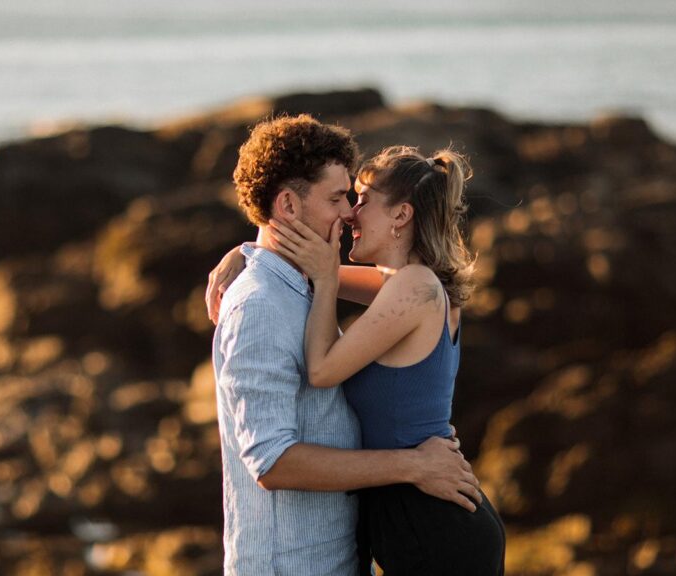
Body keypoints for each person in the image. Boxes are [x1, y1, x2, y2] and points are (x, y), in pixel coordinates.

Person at [209, 144, 506, 574]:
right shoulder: (407, 285)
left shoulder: (416, 287)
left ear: (401, 215)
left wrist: (327, 279)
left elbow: (321, 369)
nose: (351, 213)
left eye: (362, 199)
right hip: (414, 510)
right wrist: (246, 251)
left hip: (432, 519)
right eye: (345, 198)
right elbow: (297, 266)